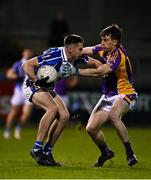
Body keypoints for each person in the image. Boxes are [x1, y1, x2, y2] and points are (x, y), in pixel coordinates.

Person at [62, 24, 138, 167]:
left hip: (125, 92)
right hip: (108, 95)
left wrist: (76, 71)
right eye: (102, 40)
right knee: (91, 129)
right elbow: (83, 49)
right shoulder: (104, 48)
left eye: (105, 40)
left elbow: (101, 71)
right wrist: (67, 52)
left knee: (114, 116)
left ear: (114, 42)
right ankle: (106, 152)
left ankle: (130, 152)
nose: (102, 43)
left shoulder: (118, 56)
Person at [22, 34, 101, 167]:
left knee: (64, 116)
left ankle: (47, 152)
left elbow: (96, 63)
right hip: (33, 85)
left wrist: (105, 68)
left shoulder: (76, 56)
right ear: (70, 49)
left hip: (47, 88)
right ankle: (37, 149)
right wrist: (37, 80)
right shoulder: (55, 56)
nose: (83, 51)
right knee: (52, 109)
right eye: (80, 48)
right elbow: (27, 65)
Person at [3, 49, 34, 139]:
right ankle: (7, 129)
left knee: (27, 113)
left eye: (29, 52)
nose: (28, 54)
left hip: (30, 91)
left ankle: (18, 128)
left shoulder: (34, 63)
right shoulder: (18, 64)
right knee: (14, 111)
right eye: (26, 52)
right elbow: (9, 74)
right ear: (23, 53)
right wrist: (16, 76)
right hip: (19, 91)